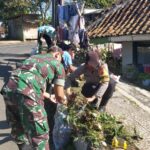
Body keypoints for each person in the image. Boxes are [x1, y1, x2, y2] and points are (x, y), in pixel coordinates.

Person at [0, 46, 67, 150]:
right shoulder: (57, 63)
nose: (60, 61)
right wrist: (65, 101)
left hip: (9, 89)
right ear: (57, 54)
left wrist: (49, 96)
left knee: (19, 129)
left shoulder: (33, 57)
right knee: (40, 134)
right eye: (61, 58)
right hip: (27, 92)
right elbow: (60, 96)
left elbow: (27, 79)